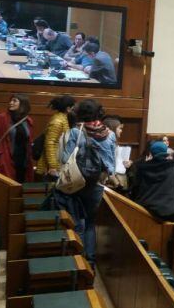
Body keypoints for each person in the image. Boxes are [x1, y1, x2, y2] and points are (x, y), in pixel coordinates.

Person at [57, 99, 116, 266]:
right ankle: (90, 262)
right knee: (91, 222)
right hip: (97, 185)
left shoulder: (77, 131)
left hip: (78, 182)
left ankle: (78, 259)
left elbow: (65, 158)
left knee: (77, 221)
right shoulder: (109, 134)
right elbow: (111, 165)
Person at [0, 94, 34, 182]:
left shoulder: (28, 120)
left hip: (23, 161)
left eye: (14, 101)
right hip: (5, 159)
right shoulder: (1, 118)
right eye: (10, 100)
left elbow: (28, 141)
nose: (11, 103)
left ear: (23, 104)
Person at [131, 141, 174, 220]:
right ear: (165, 152)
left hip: (144, 209)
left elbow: (135, 187)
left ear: (151, 153)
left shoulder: (142, 168)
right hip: (168, 210)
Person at [36, 95, 75, 181]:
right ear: (68, 109)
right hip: (50, 168)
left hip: (56, 164)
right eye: (73, 108)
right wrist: (52, 166)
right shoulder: (58, 121)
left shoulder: (62, 119)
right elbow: (50, 143)